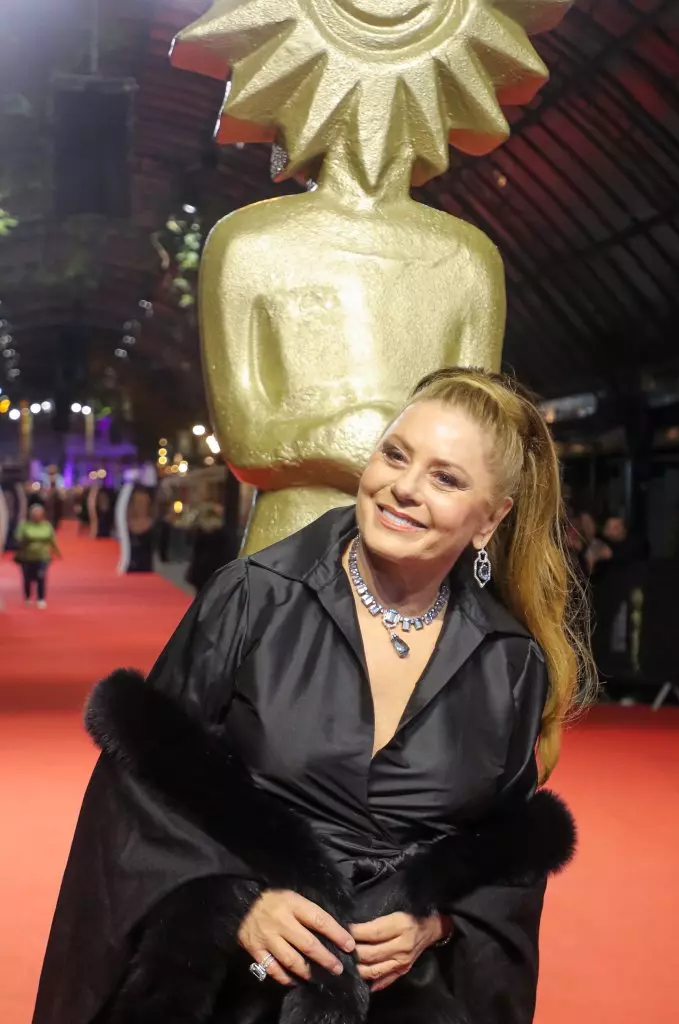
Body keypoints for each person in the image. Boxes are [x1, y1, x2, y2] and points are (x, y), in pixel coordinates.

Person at [33, 368, 594, 1024]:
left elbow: (505, 863)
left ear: (489, 519)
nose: (404, 489)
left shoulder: (510, 663)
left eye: (445, 478)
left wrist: (436, 923)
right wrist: (238, 900)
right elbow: (138, 791)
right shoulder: (253, 597)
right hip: (231, 992)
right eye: (395, 454)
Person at [14, 501, 61, 608]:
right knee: (27, 578)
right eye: (34, 513)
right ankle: (27, 597)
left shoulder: (47, 526)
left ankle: (41, 598)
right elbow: (18, 539)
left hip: (42, 556)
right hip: (27, 556)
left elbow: (52, 540)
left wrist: (57, 552)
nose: (36, 516)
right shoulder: (24, 525)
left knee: (41, 577)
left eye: (39, 513)